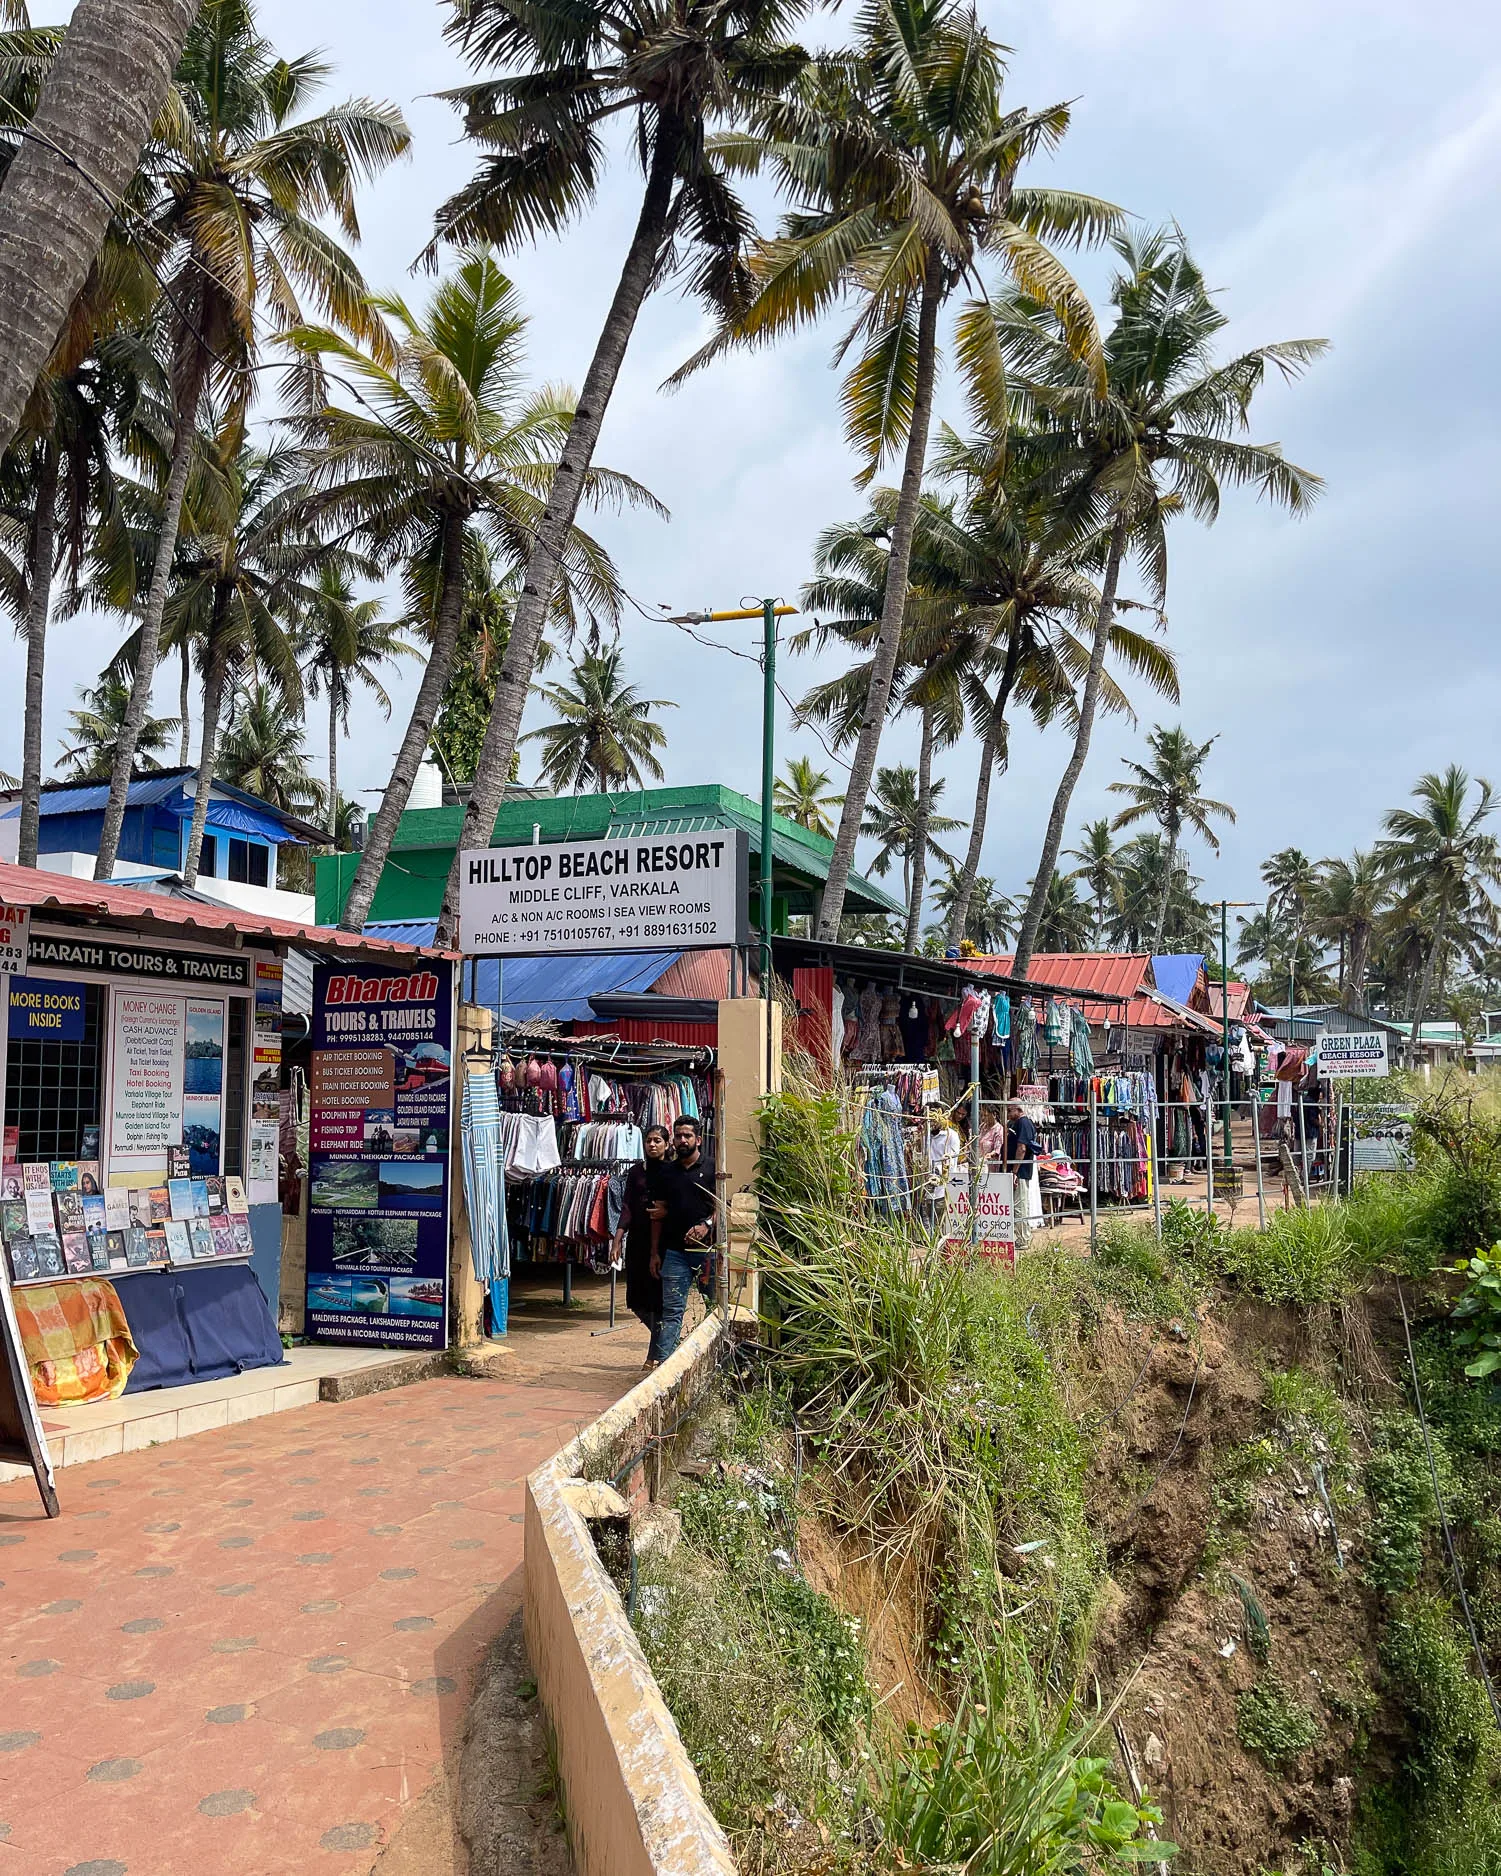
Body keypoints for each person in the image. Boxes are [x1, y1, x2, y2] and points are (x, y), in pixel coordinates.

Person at [653, 1115, 718, 1361]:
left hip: (707, 1252)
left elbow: (723, 1206)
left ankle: (713, 1362)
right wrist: (654, 1253)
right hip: (674, 1253)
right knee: (671, 1312)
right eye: (678, 1135)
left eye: (687, 1135)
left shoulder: (713, 1168)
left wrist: (707, 1224)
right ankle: (663, 1368)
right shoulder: (667, 1173)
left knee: (714, 1308)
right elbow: (657, 1215)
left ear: (698, 1139)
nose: (682, 1140)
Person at [615, 1124, 671, 1369]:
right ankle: (665, 1338)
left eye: (658, 1140)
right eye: (649, 1140)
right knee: (636, 1300)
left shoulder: (671, 1172)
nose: (653, 1144)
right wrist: (617, 1238)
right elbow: (626, 1206)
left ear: (666, 1145)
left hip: (663, 1242)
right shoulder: (636, 1172)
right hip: (637, 1239)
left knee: (656, 1299)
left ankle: (654, 1355)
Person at [1004, 1099, 1039, 1250]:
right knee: (1015, 1204)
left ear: (1017, 1109)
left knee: (1019, 1205)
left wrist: (1015, 1171)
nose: (1008, 1113)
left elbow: (1022, 1148)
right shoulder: (1014, 1124)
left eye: (1009, 1110)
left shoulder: (1023, 1123)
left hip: (1020, 1172)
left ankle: (1023, 1239)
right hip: (1015, 1170)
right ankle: (1018, 1236)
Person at [924, 1111, 962, 1226]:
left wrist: (937, 1172)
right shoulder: (925, 1135)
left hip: (941, 1189)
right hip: (924, 1189)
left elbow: (951, 1163)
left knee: (939, 1223)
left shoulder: (951, 1137)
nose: (932, 1123)